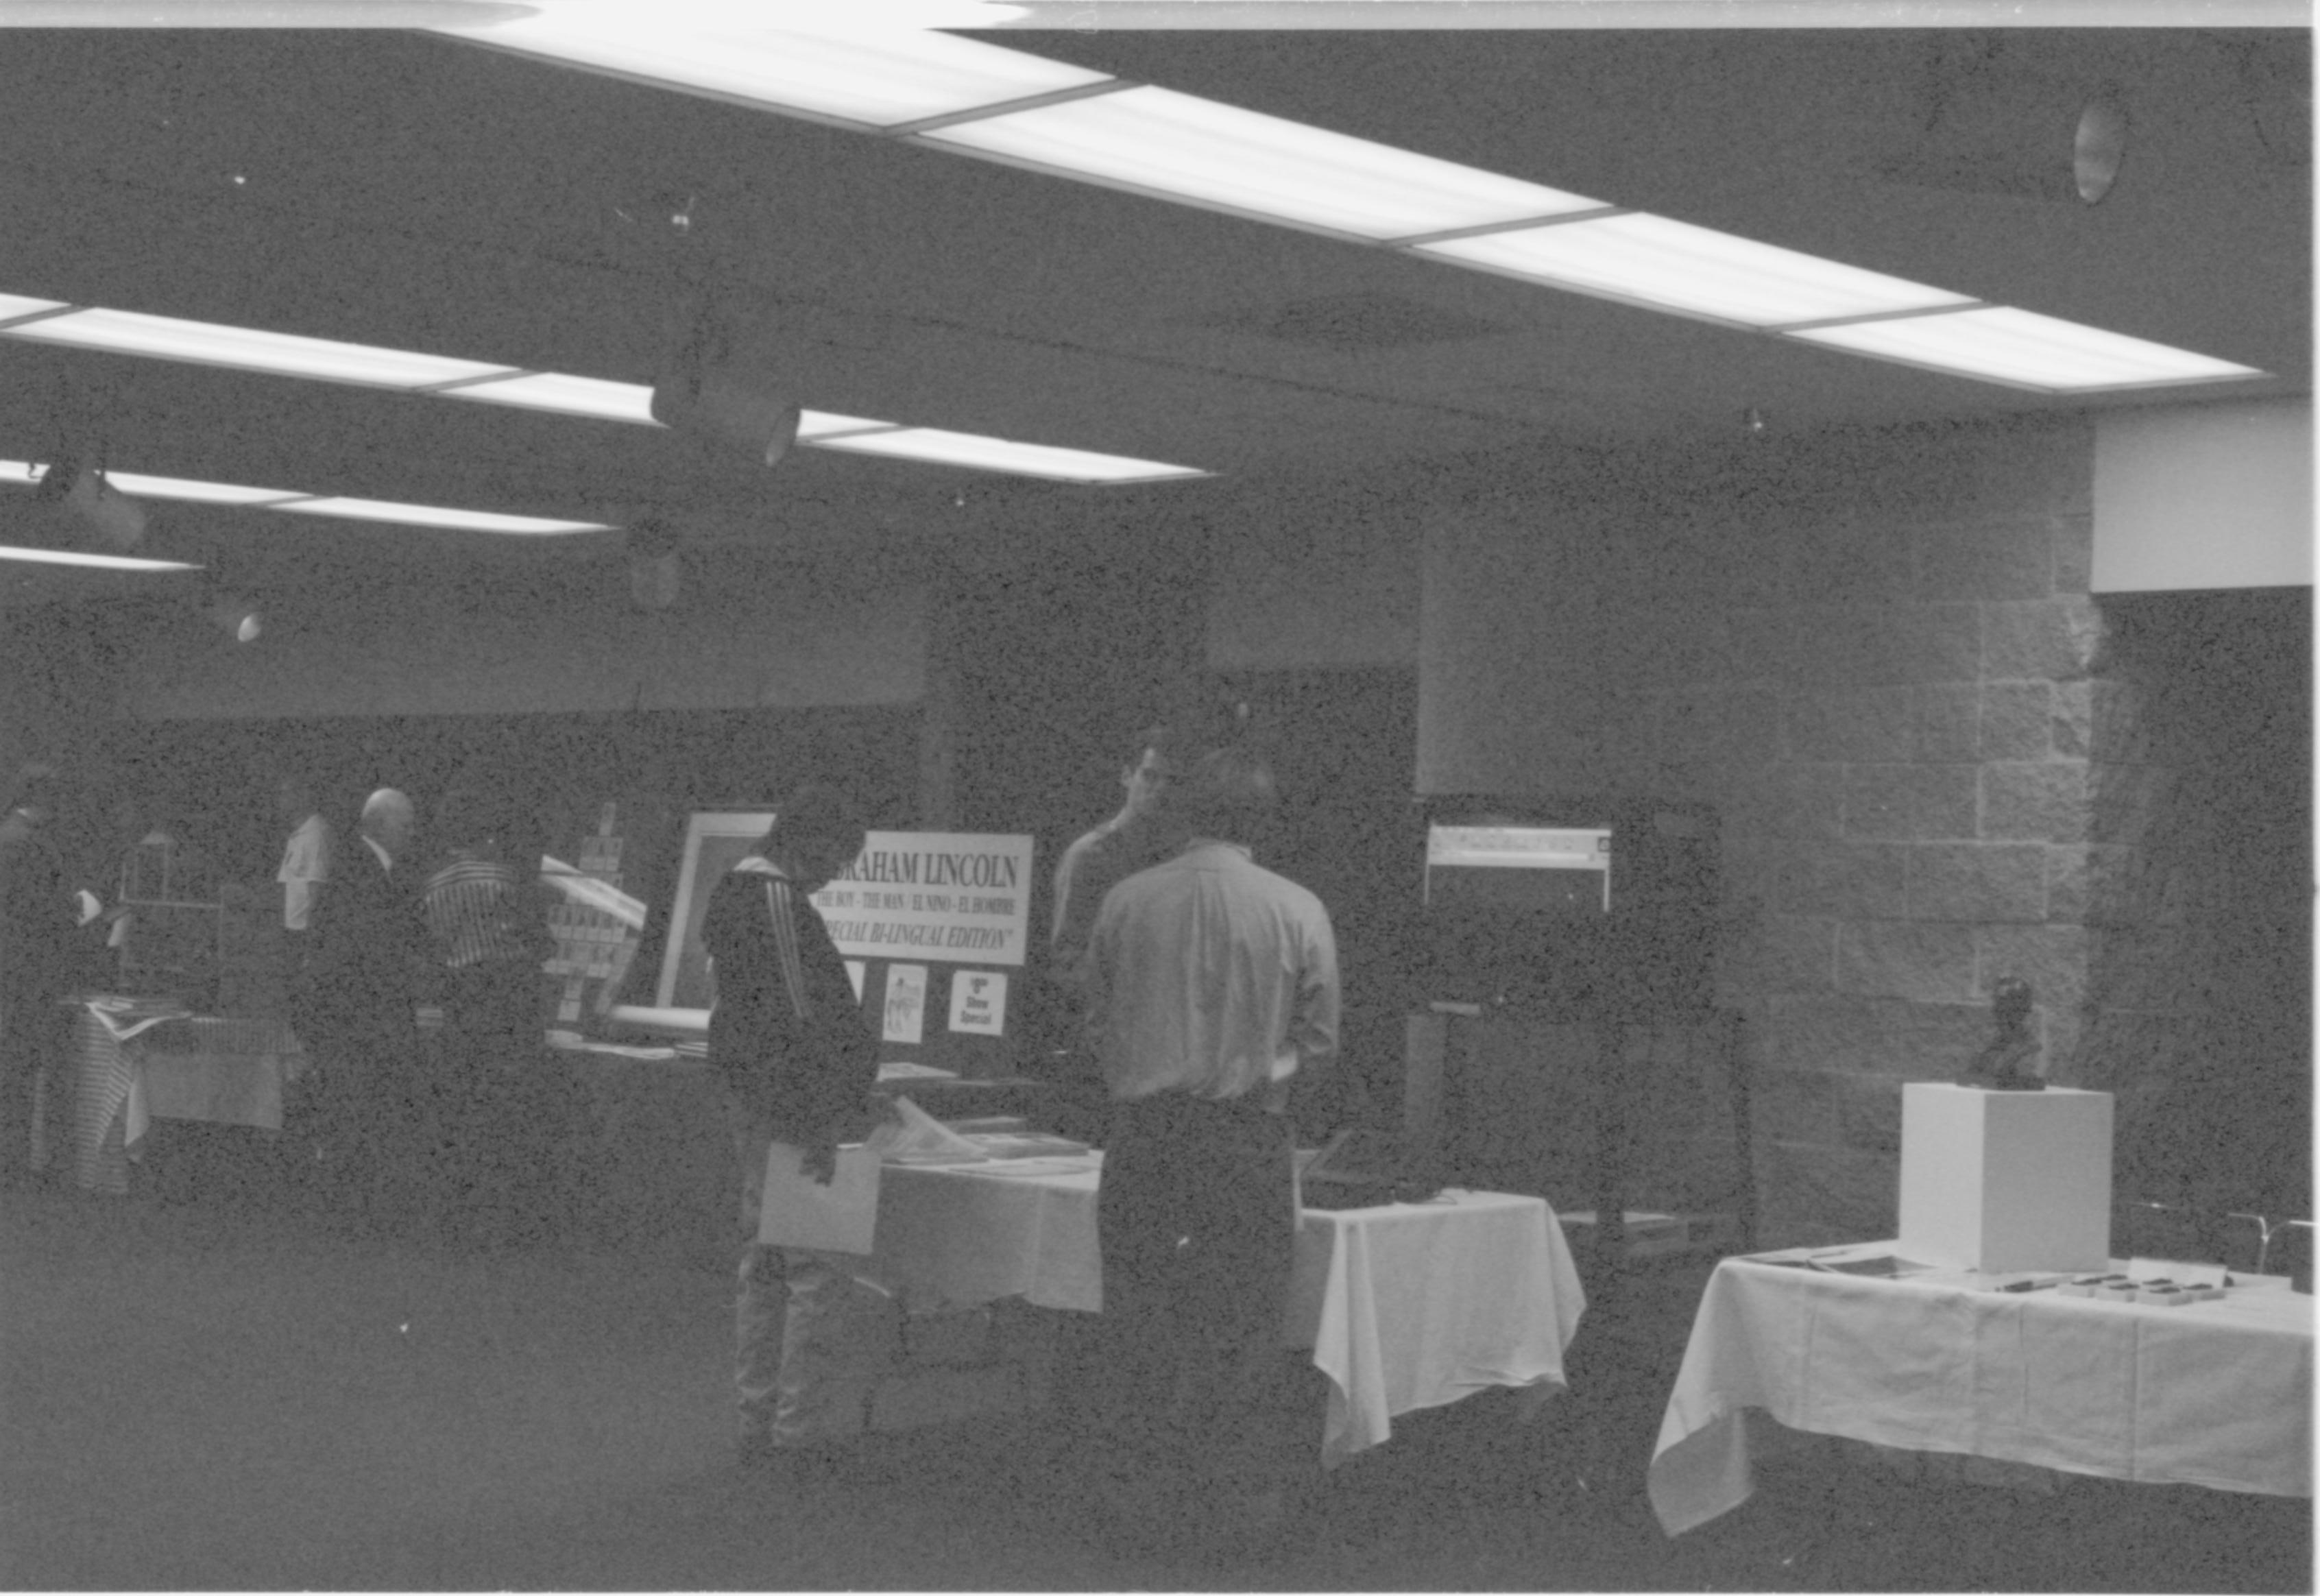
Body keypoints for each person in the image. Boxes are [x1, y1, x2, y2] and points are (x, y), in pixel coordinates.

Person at [1080, 742, 1341, 1557]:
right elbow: (1320, 1040)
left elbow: (1094, 1016)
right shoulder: (1299, 908)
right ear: (1264, 819)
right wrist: (1266, 1071)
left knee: (1139, 1315)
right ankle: (1234, 1508)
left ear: (1188, 813)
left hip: (1148, 1138)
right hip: (1244, 1141)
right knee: (1245, 1325)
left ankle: (1137, 1502)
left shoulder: (1125, 899)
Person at [701, 782, 880, 1468]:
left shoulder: (737, 895)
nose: (837, 873)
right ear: (807, 842)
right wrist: (827, 1114)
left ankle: (760, 1420)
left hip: (760, 1101)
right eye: (838, 856)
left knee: (766, 1262)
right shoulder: (776, 903)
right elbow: (802, 1023)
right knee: (812, 1269)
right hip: (794, 1107)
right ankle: (795, 1429)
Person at [421, 779, 553, 1247]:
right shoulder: (504, 879)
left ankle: (451, 1216)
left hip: (460, 1000)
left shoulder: (434, 884)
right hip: (506, 999)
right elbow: (539, 942)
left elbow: (432, 947)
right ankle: (497, 1220)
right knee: (504, 1109)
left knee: (460, 1107)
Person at [294, 787, 434, 1229]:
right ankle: (346, 1207)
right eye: (406, 825)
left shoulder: (360, 867)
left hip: (346, 1013)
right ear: (380, 825)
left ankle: (343, 1202)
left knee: (349, 1109)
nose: (413, 834)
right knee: (355, 1109)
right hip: (358, 1016)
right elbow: (366, 950)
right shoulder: (364, 872)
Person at [0, 765, 86, 1189]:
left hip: (11, 965)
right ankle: (12, 1161)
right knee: (18, 1064)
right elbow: (41, 912)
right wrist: (75, 911)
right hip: (25, 969)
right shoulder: (29, 846)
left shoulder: (8, 836)